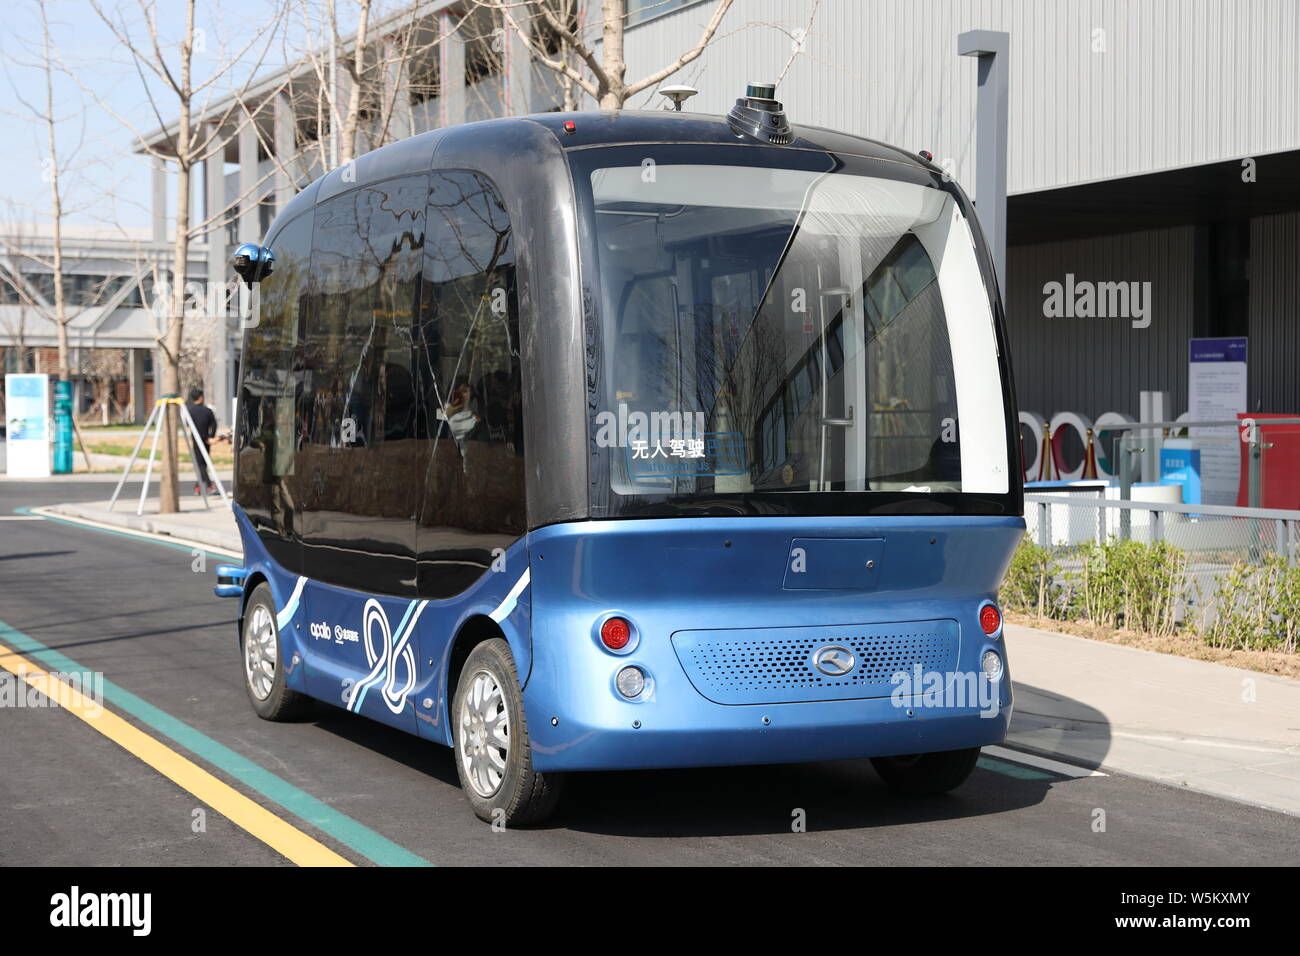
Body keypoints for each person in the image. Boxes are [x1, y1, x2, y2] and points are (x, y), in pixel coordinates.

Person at [185, 386, 220, 494]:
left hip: (196, 440)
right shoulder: (208, 411)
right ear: (200, 398)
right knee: (203, 463)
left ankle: (199, 487)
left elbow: (187, 424)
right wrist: (211, 436)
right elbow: (214, 424)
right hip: (206, 440)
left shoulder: (190, 411)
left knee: (201, 464)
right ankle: (208, 486)